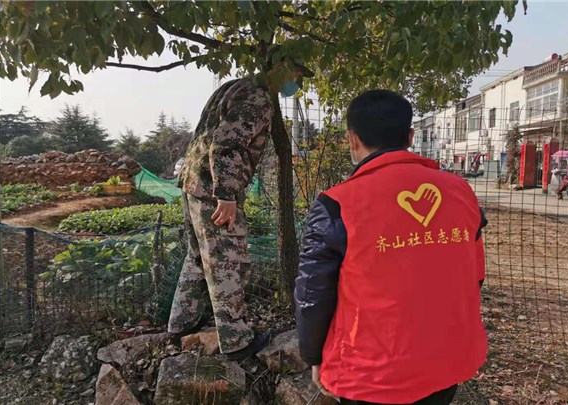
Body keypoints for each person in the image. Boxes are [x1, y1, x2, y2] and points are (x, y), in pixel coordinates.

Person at [295, 90, 488, 404]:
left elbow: (312, 294)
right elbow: (475, 275)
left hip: (369, 375)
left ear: (352, 140)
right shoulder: (461, 192)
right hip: (447, 362)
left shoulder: (337, 205)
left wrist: (313, 355)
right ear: (410, 137)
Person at [168, 53, 314, 361]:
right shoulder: (258, 98)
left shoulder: (233, 87)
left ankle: (182, 322)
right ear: (282, 68)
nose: (298, 82)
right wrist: (226, 194)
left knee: (198, 256)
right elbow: (226, 144)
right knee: (226, 260)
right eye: (298, 74)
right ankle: (236, 341)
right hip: (214, 189)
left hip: (192, 181)